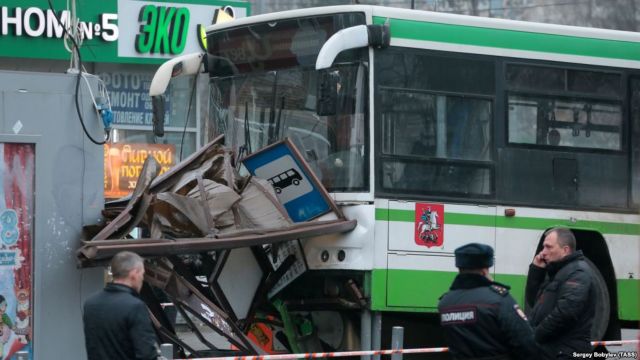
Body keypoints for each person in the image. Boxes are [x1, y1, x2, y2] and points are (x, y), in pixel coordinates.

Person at [438, 243, 538, 360]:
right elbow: (526, 343)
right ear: (485, 270)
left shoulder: (445, 302)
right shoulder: (498, 300)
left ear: (459, 267)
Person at [525, 227, 596, 359]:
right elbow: (535, 303)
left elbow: (566, 312)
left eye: (548, 247)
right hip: (553, 350)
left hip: (566, 352)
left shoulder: (578, 272)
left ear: (565, 250)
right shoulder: (557, 271)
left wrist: (534, 337)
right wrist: (536, 270)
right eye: (543, 247)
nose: (543, 252)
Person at [83, 251, 161, 360]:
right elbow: (147, 354)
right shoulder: (135, 306)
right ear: (134, 273)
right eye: (142, 274)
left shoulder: (90, 304)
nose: (142, 279)